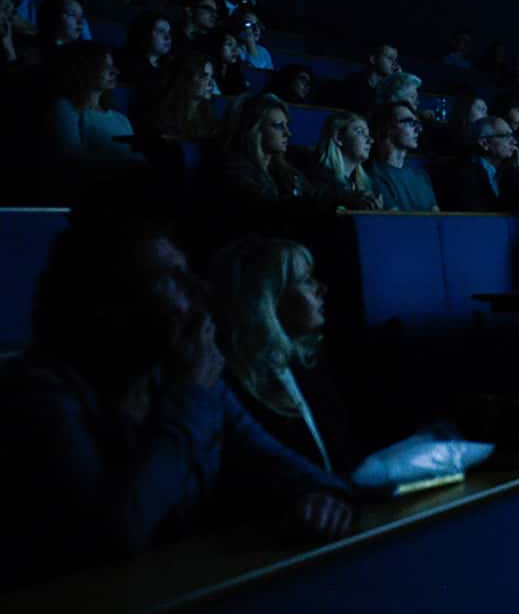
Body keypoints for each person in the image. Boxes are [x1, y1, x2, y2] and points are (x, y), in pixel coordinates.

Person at [0, 216, 350, 591]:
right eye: (170, 277)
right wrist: (190, 396)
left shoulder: (181, 380)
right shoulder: (39, 394)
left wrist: (320, 498)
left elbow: (297, 471)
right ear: (108, 301)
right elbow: (114, 535)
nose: (197, 288)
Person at [208, 236, 360, 475]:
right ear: (265, 299)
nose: (321, 288)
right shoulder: (231, 386)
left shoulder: (309, 365)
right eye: (305, 280)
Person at [39, 43, 145, 203]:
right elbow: (70, 159)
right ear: (85, 68)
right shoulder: (66, 108)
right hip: (89, 199)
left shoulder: (121, 118)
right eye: (106, 67)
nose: (115, 72)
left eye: (114, 66)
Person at [220, 93, 330, 214]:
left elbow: (316, 194)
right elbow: (268, 209)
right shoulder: (236, 171)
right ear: (255, 130)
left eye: (286, 125)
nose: (288, 133)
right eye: (278, 126)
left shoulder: (286, 171)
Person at [454, 114, 519, 211]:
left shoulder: (516, 169)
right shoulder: (465, 173)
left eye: (512, 135)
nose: (514, 141)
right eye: (506, 136)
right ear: (485, 143)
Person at [367, 101, 439, 212]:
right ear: (388, 127)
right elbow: (398, 222)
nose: (418, 130)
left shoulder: (421, 176)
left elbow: (436, 219)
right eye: (410, 122)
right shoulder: (373, 175)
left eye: (418, 124)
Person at [309, 111, 382, 210]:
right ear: (338, 138)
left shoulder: (364, 183)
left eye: (368, 134)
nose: (370, 140)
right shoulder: (318, 178)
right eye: (360, 132)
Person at [139, 52, 219, 141]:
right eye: (203, 76)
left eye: (212, 77)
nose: (211, 83)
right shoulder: (164, 115)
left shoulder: (209, 117)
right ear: (186, 79)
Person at [116, 10, 174, 100]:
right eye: (161, 31)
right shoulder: (128, 63)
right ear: (145, 33)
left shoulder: (171, 67)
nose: (168, 37)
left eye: (169, 32)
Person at [334, 42, 399, 114]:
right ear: (373, 59)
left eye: (395, 60)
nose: (394, 64)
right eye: (390, 58)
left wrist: (399, 80)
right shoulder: (354, 83)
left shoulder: (391, 87)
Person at [199, 28, 249, 96]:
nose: (235, 50)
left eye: (236, 45)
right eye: (229, 44)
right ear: (217, 46)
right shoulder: (208, 71)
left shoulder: (236, 70)